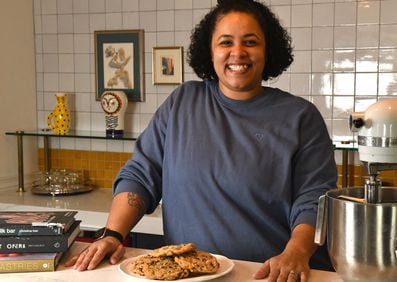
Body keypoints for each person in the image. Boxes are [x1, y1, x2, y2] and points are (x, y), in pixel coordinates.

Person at [65, 0, 338, 281]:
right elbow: (142, 175)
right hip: (190, 275)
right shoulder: (182, 103)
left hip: (268, 274)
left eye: (251, 42)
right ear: (210, 51)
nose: (238, 52)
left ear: (268, 50)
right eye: (225, 42)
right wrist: (113, 235)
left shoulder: (300, 117)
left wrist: (296, 251)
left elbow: (315, 200)